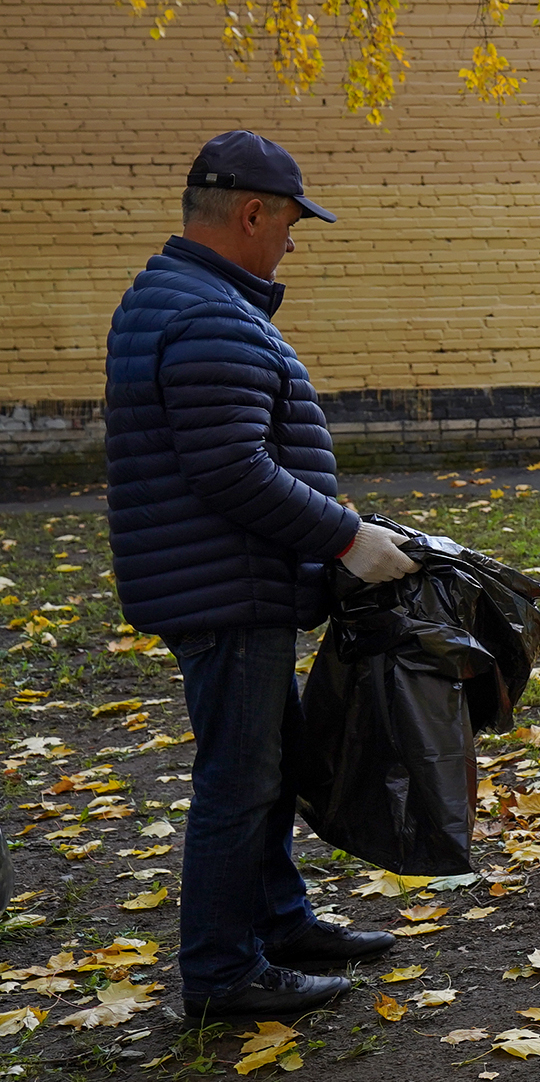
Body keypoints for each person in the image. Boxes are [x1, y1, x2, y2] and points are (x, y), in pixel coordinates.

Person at [106, 131, 418, 1019]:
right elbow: (233, 469)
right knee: (240, 781)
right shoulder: (207, 312)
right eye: (288, 223)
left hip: (220, 577)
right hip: (228, 585)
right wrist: (347, 538)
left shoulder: (180, 295)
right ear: (250, 212)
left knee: (266, 769)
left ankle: (279, 924)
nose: (290, 242)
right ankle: (218, 972)